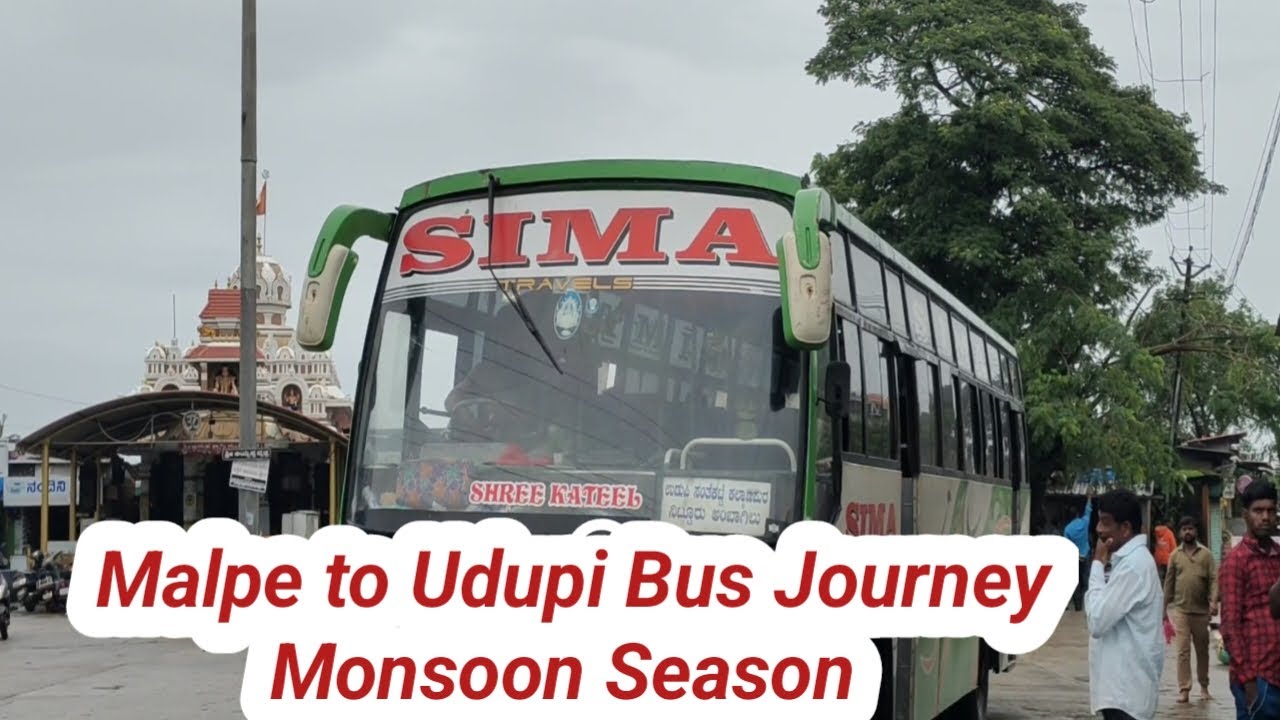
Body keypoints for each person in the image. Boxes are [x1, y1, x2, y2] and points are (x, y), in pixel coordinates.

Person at [1084, 488, 1164, 720]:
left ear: (1126, 528)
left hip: (1126, 695)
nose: (1098, 529)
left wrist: (1098, 564)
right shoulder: (1129, 562)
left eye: (1105, 523)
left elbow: (1097, 621)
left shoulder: (1133, 566)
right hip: (1124, 692)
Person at [1219, 478, 1280, 719]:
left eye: (1271, 510)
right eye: (1258, 511)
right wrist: (1249, 683)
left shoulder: (1278, 556)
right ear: (1245, 515)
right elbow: (1230, 627)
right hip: (1258, 678)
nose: (1265, 517)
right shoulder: (1237, 560)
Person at [1163, 515, 1218, 703]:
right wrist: (1163, 608)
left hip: (1202, 611)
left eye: (1191, 528)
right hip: (1181, 611)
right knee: (1182, 651)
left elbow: (1214, 580)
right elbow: (1169, 583)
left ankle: (1204, 687)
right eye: (1184, 529)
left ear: (1196, 531)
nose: (1188, 532)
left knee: (1202, 650)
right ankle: (1184, 689)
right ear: (1180, 533)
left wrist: (1214, 602)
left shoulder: (1206, 555)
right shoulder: (1175, 556)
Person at [1065, 491, 1094, 611]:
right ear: (1077, 514)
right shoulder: (1084, 522)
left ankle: (1077, 606)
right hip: (1085, 555)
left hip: (1074, 558)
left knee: (1075, 581)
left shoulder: (1067, 529)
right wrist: (1089, 497)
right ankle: (1087, 604)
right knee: (1085, 578)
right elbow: (1088, 509)